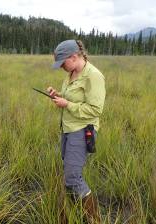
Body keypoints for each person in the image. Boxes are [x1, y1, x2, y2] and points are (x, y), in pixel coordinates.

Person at [47, 39, 105, 224]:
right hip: (68, 128)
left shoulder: (93, 76)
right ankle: (73, 209)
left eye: (63, 63)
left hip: (82, 130)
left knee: (72, 176)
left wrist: (67, 104)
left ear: (74, 57)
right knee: (69, 171)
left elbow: (95, 110)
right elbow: (72, 97)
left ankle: (95, 219)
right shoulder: (71, 73)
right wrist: (58, 95)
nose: (61, 67)